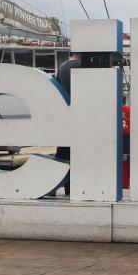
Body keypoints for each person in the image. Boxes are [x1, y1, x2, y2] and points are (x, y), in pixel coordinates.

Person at [53, 52, 81, 195]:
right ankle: (74, 188)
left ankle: (60, 185)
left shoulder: (63, 67)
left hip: (66, 116)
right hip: (81, 116)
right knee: (79, 155)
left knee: (63, 154)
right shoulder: (83, 66)